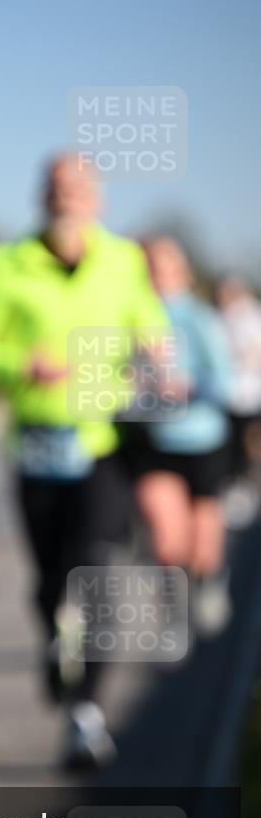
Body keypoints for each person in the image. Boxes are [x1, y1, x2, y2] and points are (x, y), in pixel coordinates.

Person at [0, 153, 168, 770]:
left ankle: (86, 715)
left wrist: (158, 355)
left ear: (96, 199)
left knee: (93, 571)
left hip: (102, 440)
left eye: (79, 187)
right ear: (40, 196)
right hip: (38, 441)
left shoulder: (124, 261)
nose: (68, 197)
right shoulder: (5, 265)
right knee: (50, 579)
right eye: (57, 187)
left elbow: (149, 324)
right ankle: (53, 635)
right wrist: (21, 364)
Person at [131, 237, 234, 631]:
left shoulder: (199, 318)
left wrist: (187, 388)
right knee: (166, 540)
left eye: (164, 267)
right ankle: (175, 608)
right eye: (150, 268)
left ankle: (209, 579)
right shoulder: (130, 316)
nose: (157, 276)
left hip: (202, 439)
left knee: (202, 544)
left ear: (182, 272)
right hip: (154, 440)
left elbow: (225, 381)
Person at [216, 275, 261, 479]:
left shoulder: (249, 315)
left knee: (246, 435)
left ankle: (245, 473)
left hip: (247, 390)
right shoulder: (224, 315)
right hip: (231, 392)